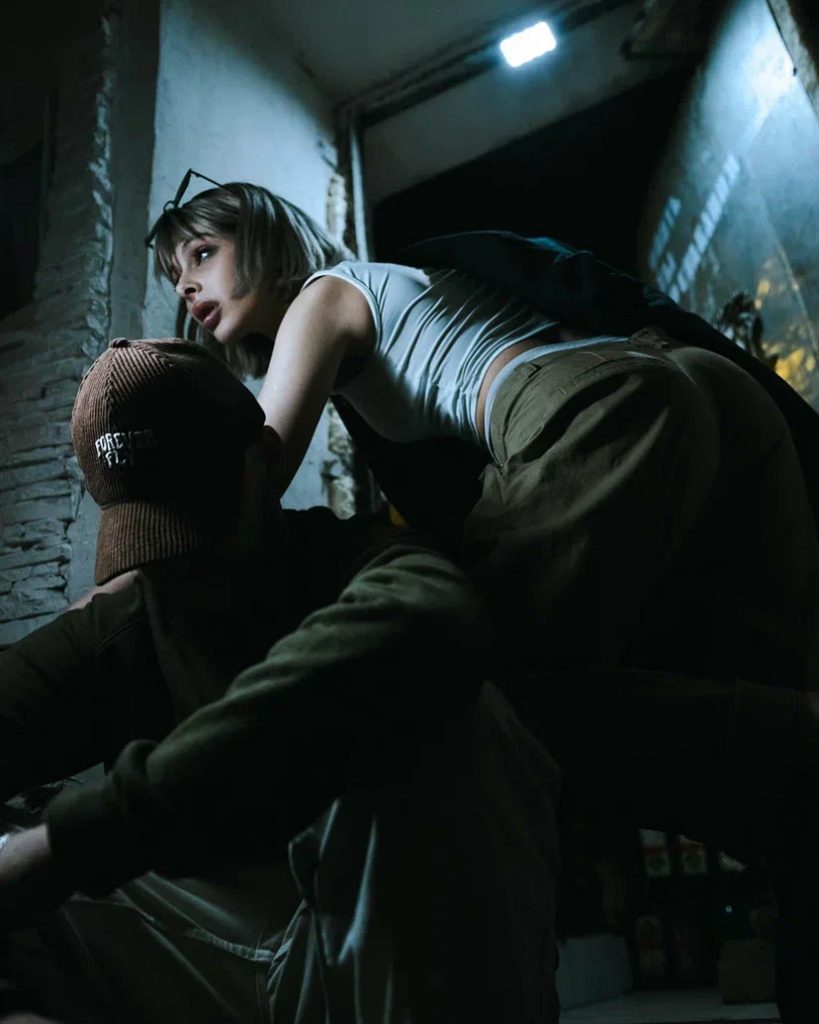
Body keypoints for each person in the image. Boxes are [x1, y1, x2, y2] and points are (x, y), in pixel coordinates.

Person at [149, 178, 819, 1018]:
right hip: (696, 396)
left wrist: (140, 566)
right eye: (175, 274)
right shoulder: (382, 291)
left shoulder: (321, 299)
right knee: (760, 742)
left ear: (266, 238)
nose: (187, 284)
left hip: (594, 409)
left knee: (471, 698)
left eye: (202, 253)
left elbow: (258, 472)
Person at [0, 338, 560, 1023]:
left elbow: (433, 625)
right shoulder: (125, 621)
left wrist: (81, 841)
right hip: (222, 963)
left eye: (199, 520)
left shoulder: (364, 564)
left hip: (385, 963)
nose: (183, 566)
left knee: (454, 724)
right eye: (151, 536)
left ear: (265, 457)